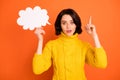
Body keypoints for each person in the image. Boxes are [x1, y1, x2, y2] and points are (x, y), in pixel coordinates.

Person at [32, 8, 107, 80]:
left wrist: (94, 36)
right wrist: (40, 40)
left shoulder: (84, 46)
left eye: (72, 22)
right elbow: (37, 69)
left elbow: (101, 63)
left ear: (76, 24)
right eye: (64, 23)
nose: (68, 26)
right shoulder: (52, 45)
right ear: (60, 25)